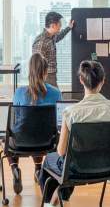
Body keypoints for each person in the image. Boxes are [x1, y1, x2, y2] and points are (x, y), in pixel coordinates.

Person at [39, 60, 110, 207]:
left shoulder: (71, 112)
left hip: (77, 170)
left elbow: (61, 151)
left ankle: (49, 203)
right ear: (103, 80)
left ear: (81, 80)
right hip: (108, 168)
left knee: (49, 161)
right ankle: (57, 201)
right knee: (66, 164)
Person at [11, 53, 62, 195]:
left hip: (21, 142)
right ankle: (38, 169)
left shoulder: (19, 92)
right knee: (39, 130)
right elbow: (59, 121)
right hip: (47, 142)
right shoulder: (56, 93)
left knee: (13, 134)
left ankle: (15, 168)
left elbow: (16, 120)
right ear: (46, 71)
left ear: (30, 71)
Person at [32, 11, 74, 87]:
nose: (60, 26)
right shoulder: (41, 42)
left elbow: (60, 36)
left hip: (52, 75)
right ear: (53, 25)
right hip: (45, 77)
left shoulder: (52, 37)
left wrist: (69, 27)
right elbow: (36, 65)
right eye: (59, 24)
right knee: (54, 97)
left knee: (55, 97)